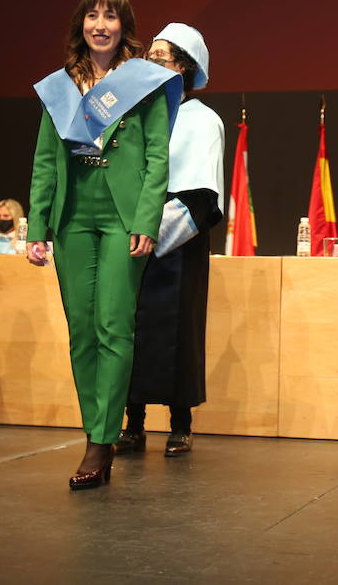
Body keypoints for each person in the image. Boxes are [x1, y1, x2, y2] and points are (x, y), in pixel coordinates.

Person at [26, 0, 178, 490]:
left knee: (114, 325)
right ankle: (96, 426)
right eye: (91, 16)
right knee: (82, 328)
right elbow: (46, 159)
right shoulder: (60, 87)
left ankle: (101, 440)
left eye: (110, 17)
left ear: (124, 27)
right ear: (80, 25)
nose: (100, 25)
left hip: (121, 215)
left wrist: (146, 220)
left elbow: (158, 157)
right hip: (73, 216)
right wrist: (37, 225)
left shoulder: (144, 82)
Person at [116, 24, 224, 457]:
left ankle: (181, 422)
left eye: (162, 57)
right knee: (131, 331)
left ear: (183, 68)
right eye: (151, 55)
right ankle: (133, 421)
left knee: (179, 330)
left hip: (179, 241)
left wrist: (152, 231)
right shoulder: (135, 113)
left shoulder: (203, 120)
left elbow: (201, 195)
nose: (153, 61)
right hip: (129, 238)